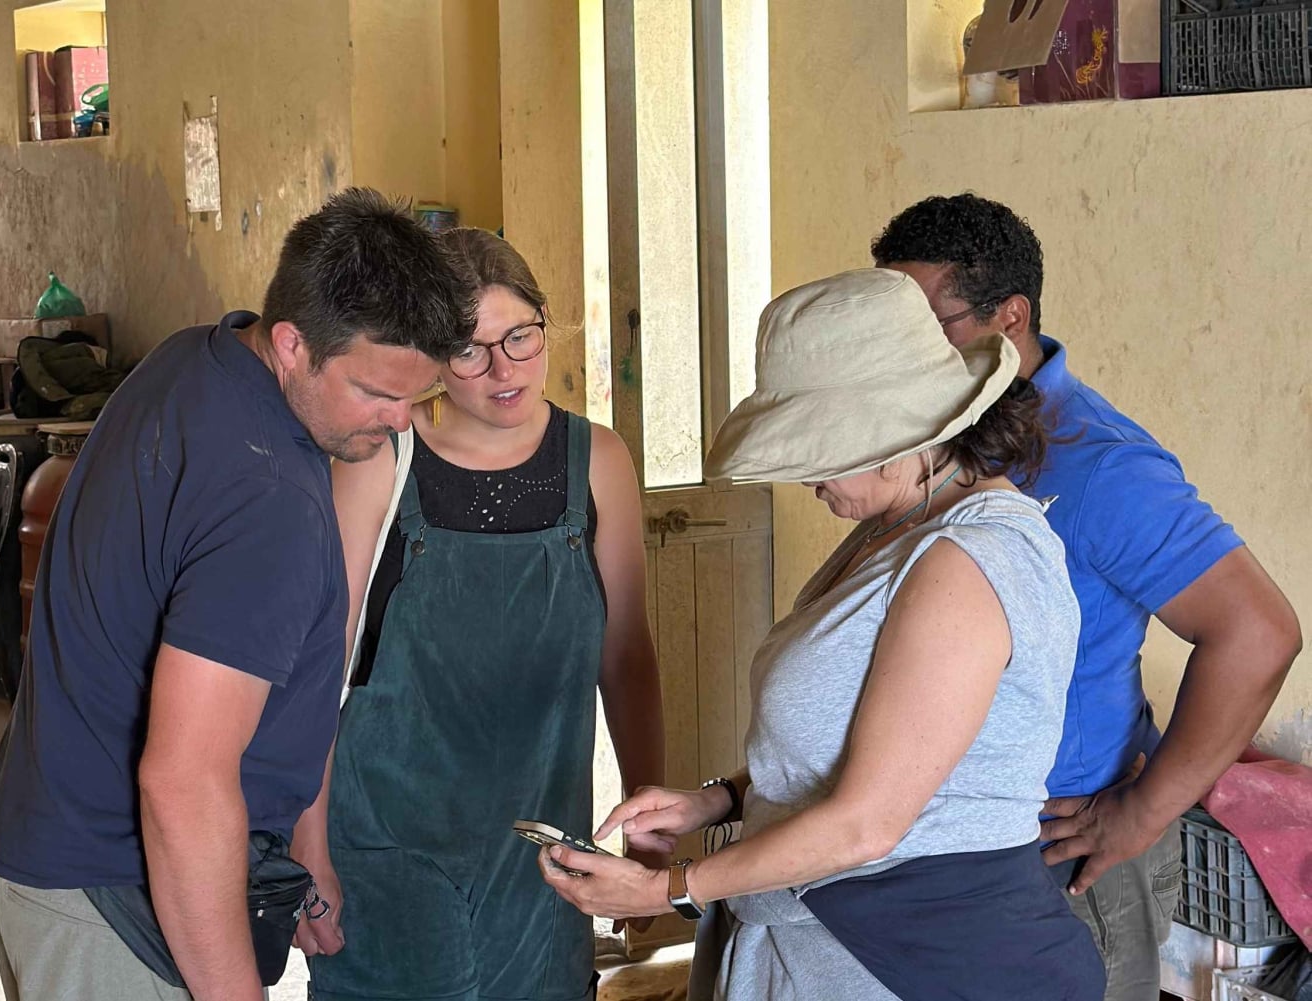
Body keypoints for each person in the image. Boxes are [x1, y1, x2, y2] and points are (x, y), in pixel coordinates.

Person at [541, 268, 1104, 1001]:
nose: (808, 479)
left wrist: (665, 889)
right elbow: (852, 741)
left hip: (912, 959)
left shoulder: (969, 561)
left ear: (895, 434)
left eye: (818, 450)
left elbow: (868, 823)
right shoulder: (897, 528)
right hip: (827, 941)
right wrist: (717, 801)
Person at [0, 188, 474, 1001]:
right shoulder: (268, 497)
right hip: (118, 898)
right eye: (379, 393)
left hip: (58, 846)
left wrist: (301, 841)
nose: (401, 422)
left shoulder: (197, 358)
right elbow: (183, 785)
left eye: (416, 397)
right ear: (292, 344)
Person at [871, 193, 1301, 1001]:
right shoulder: (941, 431)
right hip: (947, 842)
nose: (905, 354)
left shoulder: (1097, 463)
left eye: (930, 326)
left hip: (1061, 862)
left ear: (1011, 317)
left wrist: (1143, 810)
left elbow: (1258, 632)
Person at [308, 227, 665, 1001]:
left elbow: (627, 657)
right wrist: (308, 849)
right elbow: (317, 670)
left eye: (520, 337)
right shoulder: (380, 461)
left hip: (538, 850)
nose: (502, 369)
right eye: (469, 350)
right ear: (433, 356)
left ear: (546, 323)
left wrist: (650, 827)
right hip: (385, 842)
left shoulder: (597, 460)